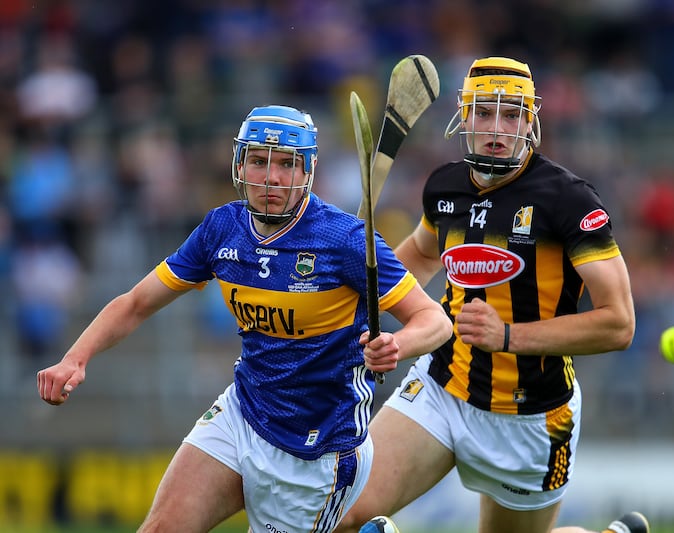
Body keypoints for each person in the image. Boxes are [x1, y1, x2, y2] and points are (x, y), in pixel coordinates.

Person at [36, 105, 453, 533]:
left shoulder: (344, 240)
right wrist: (75, 358)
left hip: (317, 448)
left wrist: (397, 345)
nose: (271, 177)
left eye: (287, 164)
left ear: (308, 170)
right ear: (239, 164)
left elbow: (435, 321)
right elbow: (136, 303)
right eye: (259, 160)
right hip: (243, 413)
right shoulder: (222, 229)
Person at [336, 57, 647, 533]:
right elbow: (420, 255)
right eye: (484, 112)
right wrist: (359, 304)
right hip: (442, 387)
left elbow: (619, 323)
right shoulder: (445, 187)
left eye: (511, 114)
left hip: (530, 418)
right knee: (343, 514)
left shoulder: (569, 201)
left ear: (531, 122)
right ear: (464, 118)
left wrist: (509, 335)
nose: (497, 128)